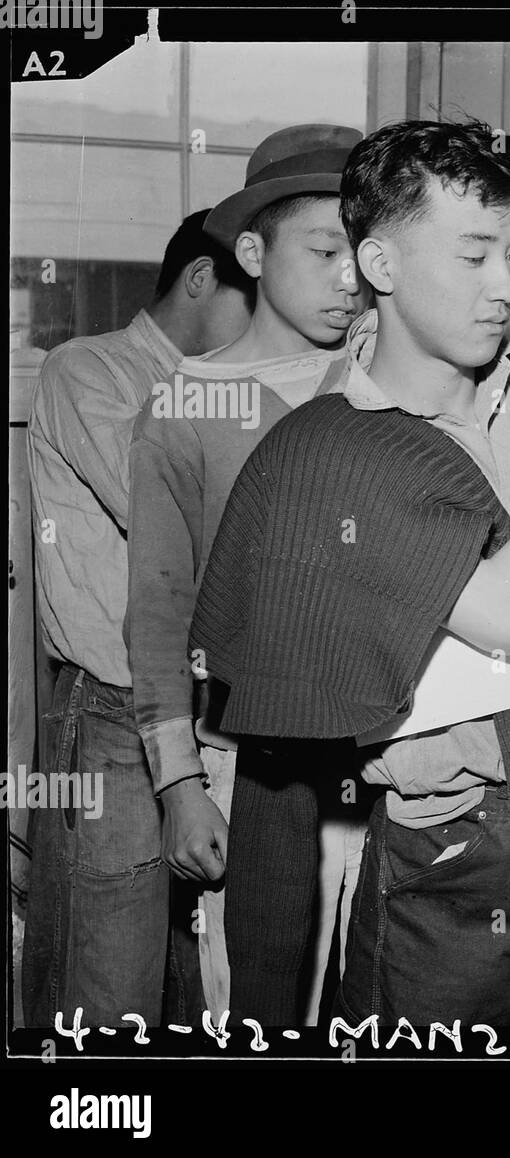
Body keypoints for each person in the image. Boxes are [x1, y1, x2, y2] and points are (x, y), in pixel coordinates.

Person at [188, 118, 510, 1026]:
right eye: (472, 256)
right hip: (443, 860)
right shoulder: (339, 448)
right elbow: (508, 617)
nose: (505, 287)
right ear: (379, 265)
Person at [125, 123, 369, 1024]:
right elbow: (158, 608)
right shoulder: (185, 404)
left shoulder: (391, 383)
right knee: (256, 1009)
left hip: (389, 761)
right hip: (243, 762)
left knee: (369, 1003)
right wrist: (179, 784)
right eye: (325, 248)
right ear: (254, 251)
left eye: (366, 248)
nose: (351, 276)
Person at [24, 209, 255, 1027]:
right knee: (110, 989)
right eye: (252, 302)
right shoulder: (88, 371)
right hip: (116, 716)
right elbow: (182, 518)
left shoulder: (234, 390)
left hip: (218, 716)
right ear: (201, 280)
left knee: (199, 990)